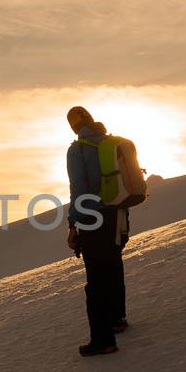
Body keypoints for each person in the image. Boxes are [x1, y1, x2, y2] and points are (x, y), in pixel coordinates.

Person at [65, 107, 127, 356]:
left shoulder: (77, 150)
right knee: (113, 264)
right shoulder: (111, 142)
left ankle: (103, 339)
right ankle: (117, 318)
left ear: (73, 126)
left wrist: (72, 224)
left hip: (93, 218)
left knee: (95, 280)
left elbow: (78, 189)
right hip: (118, 212)